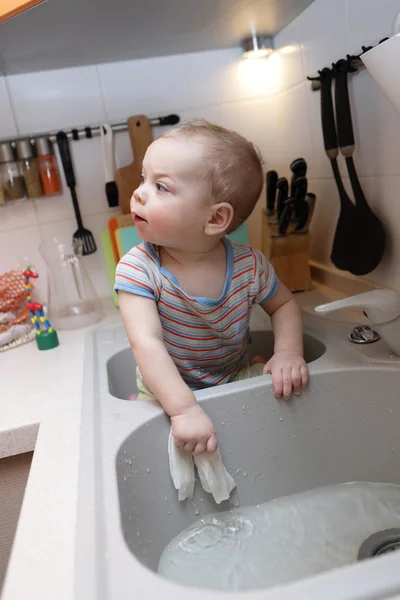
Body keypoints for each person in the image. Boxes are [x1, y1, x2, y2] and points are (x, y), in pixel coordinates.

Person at [115, 120, 308, 456]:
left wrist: (288, 353)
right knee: (158, 447)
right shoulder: (138, 269)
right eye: (143, 179)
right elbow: (145, 342)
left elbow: (285, 305)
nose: (139, 192)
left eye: (161, 186)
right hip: (164, 392)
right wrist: (182, 409)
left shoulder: (250, 266)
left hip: (230, 377)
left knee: (273, 409)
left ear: (216, 219)